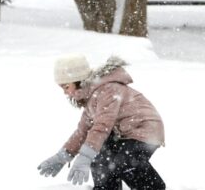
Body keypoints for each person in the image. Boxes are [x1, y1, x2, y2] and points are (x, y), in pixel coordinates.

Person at [37, 54, 166, 189]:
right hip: (121, 134)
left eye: (66, 87)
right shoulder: (91, 98)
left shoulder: (107, 90)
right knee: (101, 160)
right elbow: (83, 131)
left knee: (125, 162)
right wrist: (62, 156)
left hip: (145, 129)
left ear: (77, 80)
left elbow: (103, 125)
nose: (65, 93)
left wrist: (85, 156)